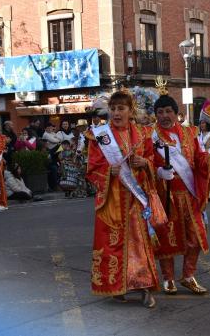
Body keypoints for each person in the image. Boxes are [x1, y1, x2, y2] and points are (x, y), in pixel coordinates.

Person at [86, 90, 162, 308]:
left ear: (131, 111)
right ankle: (116, 287)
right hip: (112, 200)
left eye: (121, 108)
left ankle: (145, 288)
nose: (116, 113)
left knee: (139, 244)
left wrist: (144, 163)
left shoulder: (142, 134)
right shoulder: (99, 135)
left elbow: (152, 163)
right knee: (113, 244)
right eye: (113, 108)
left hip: (136, 199)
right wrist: (108, 172)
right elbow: (92, 169)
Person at [152, 90, 210, 296]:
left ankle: (188, 276)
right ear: (156, 114)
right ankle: (169, 279)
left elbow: (199, 159)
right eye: (160, 112)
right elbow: (144, 161)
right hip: (166, 196)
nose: (165, 116)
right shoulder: (150, 136)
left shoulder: (190, 133)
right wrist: (157, 172)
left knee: (196, 237)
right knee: (167, 239)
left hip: (190, 195)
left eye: (169, 111)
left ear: (176, 113)